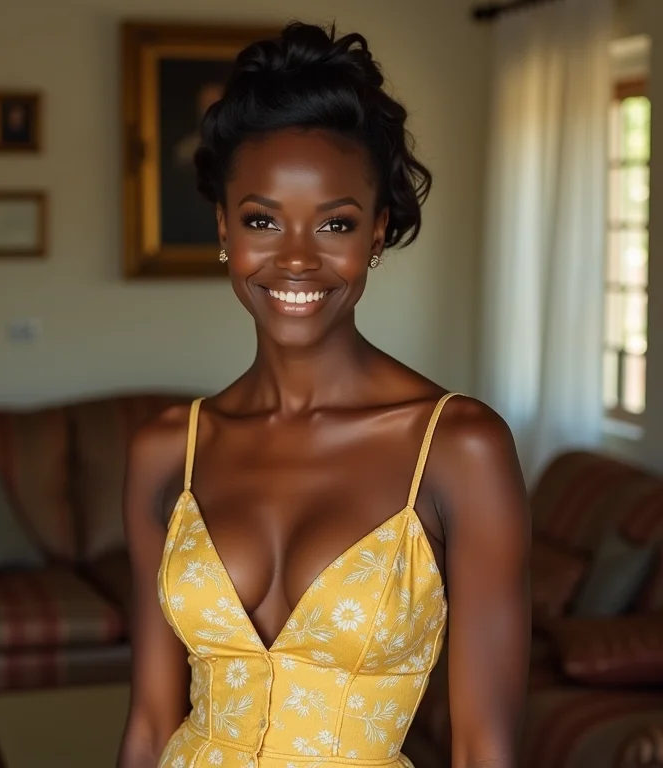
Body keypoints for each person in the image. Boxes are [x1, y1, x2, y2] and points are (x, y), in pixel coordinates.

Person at [119, 21, 530, 768]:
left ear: (377, 231)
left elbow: (483, 748)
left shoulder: (457, 447)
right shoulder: (164, 452)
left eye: (335, 223)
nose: (297, 258)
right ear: (224, 227)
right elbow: (149, 725)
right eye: (262, 220)